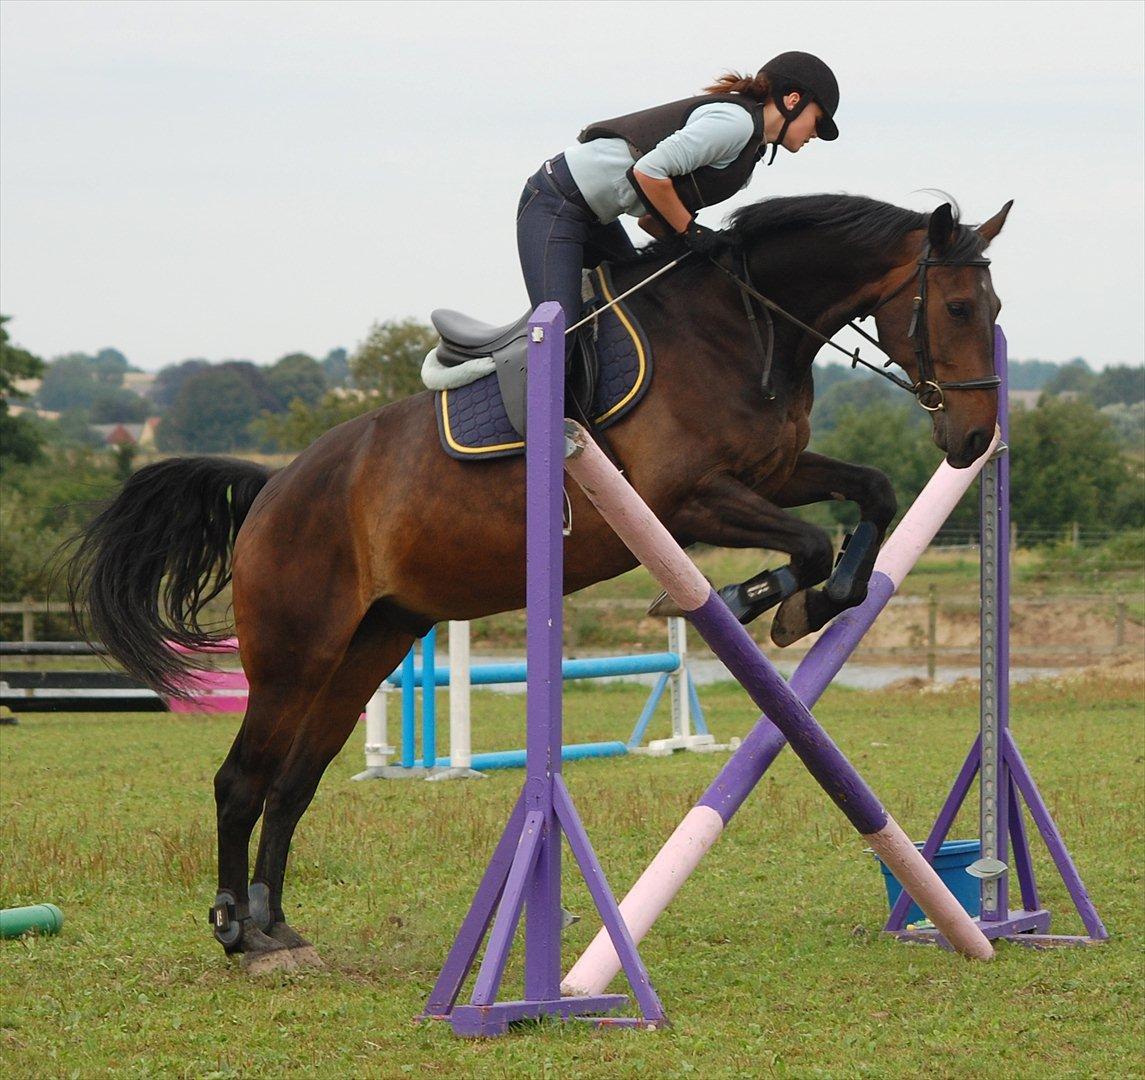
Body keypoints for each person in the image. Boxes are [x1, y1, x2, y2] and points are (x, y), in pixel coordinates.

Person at [516, 51, 840, 346]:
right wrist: (692, 232)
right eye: (818, 120)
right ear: (793, 99)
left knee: (637, 311)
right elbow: (647, 172)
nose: (816, 133)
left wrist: (710, 255)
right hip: (554, 203)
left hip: (594, 218)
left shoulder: (748, 153)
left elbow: (651, 219)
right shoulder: (736, 124)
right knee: (560, 337)